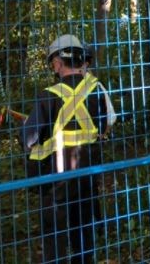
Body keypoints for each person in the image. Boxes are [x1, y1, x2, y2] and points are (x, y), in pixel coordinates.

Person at [21, 34, 115, 263]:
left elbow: (28, 139)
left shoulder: (48, 96)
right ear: (83, 61)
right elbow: (109, 121)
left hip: (56, 179)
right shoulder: (97, 90)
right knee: (83, 228)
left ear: (57, 63)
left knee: (55, 235)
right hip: (87, 175)